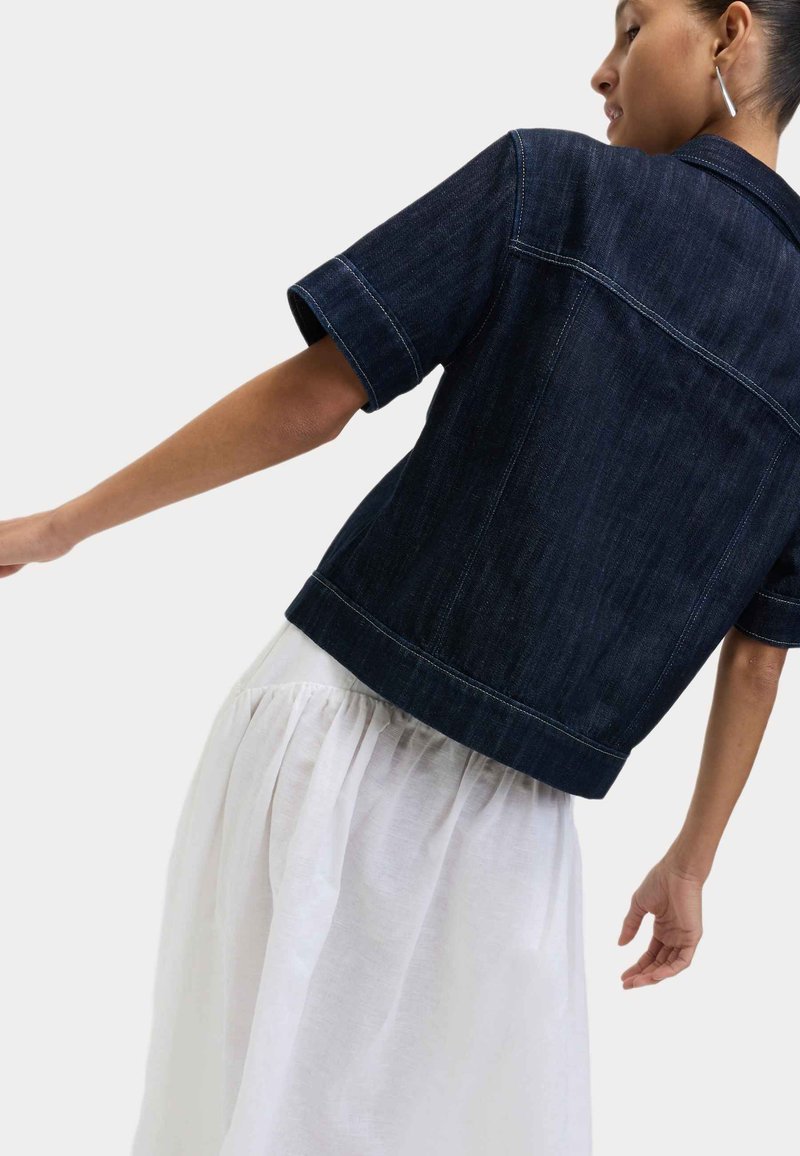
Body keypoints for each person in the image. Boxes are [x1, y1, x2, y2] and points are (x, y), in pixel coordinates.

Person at [3, 0, 800, 1152]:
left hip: (333, 730)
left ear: (728, 33)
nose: (600, 70)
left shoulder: (550, 184)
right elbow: (760, 651)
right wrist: (691, 861)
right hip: (518, 829)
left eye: (631, 28)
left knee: (234, 1116)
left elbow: (314, 398)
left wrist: (60, 526)